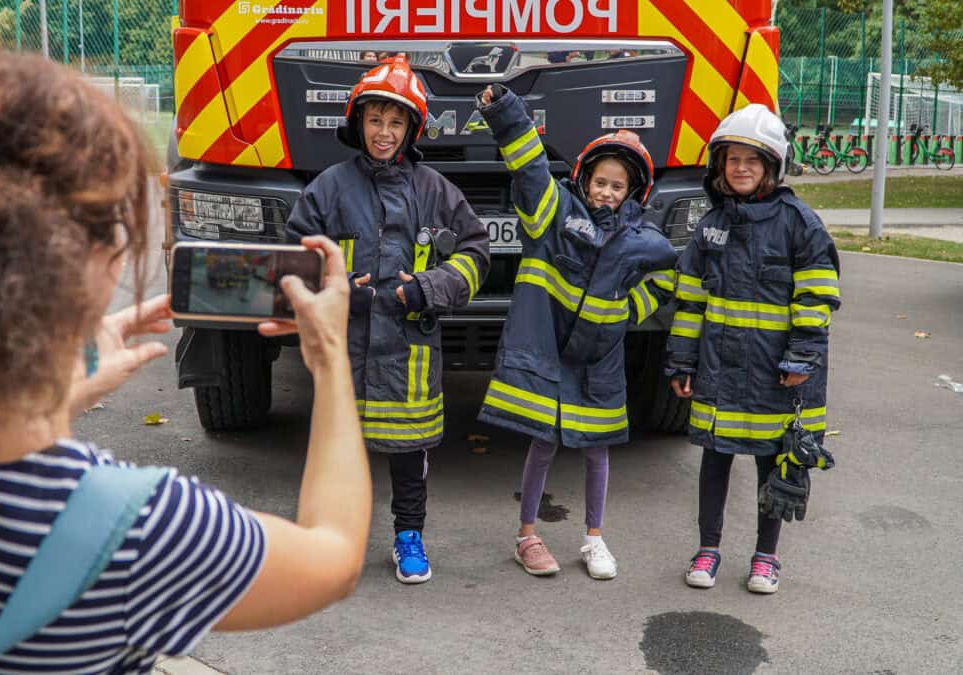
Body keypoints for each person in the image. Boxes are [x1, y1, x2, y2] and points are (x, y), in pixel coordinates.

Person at [0, 42, 370, 671]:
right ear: (89, 267)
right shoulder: (134, 529)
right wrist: (329, 359)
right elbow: (336, 556)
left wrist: (56, 389)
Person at [287, 57, 490, 584]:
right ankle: (334, 539)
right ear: (359, 123)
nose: (384, 132)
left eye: (395, 122)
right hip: (346, 347)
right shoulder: (329, 188)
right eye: (375, 120)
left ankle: (409, 536)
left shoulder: (435, 191)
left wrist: (428, 288)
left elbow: (475, 254)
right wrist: (331, 287)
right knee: (338, 451)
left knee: (409, 454)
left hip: (409, 350)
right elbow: (293, 255)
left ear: (411, 129)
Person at [475, 84, 677, 580]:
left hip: (598, 361)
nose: (606, 192)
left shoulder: (640, 241)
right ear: (584, 179)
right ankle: (527, 536)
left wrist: (630, 310)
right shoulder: (553, 215)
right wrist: (506, 112)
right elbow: (528, 167)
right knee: (541, 443)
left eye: (618, 186)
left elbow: (674, 276)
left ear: (633, 193)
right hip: (546, 349)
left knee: (597, 448)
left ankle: (594, 540)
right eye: (600, 181)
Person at [666, 103, 841, 594]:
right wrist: (681, 359)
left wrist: (802, 357)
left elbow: (816, 297)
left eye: (752, 160)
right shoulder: (711, 227)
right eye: (732, 159)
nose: (741, 168)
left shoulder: (799, 223)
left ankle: (766, 557)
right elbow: (690, 302)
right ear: (719, 166)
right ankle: (708, 549)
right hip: (719, 370)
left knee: (774, 464)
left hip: (776, 374)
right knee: (714, 460)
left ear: (772, 167)